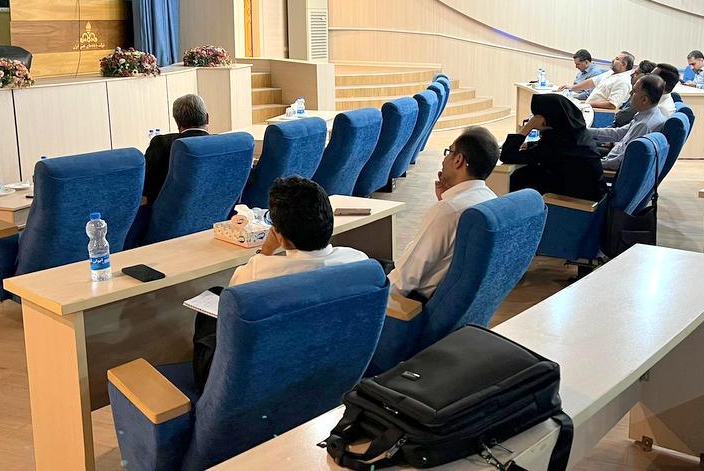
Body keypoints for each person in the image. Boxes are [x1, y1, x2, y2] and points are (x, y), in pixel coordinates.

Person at [192, 176, 369, 390]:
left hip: (262, 378)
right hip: (331, 364)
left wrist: (265, 251)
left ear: (280, 236)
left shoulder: (256, 275)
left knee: (214, 305)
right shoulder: (359, 261)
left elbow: (235, 305)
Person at [388, 127, 500, 300]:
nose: (444, 159)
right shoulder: (492, 200)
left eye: (449, 152)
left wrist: (373, 301)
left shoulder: (449, 211)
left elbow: (405, 279)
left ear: (459, 160)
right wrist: (444, 201)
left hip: (414, 303)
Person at [501, 93, 604, 200]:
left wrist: (528, 127)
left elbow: (507, 155)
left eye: (537, 116)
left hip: (578, 202)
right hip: (590, 192)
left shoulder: (555, 145)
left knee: (518, 178)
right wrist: (531, 145)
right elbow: (551, 150)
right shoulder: (576, 132)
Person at [590, 74, 668, 170]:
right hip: (612, 155)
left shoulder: (644, 125)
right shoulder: (645, 114)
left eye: (634, 91)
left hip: (609, 166)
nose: (630, 93)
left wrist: (593, 164)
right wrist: (585, 131)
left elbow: (620, 161)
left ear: (644, 99)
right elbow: (618, 133)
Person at [143, 94, 211, 202]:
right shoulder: (226, 144)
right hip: (219, 209)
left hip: (169, 210)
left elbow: (145, 185)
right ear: (207, 118)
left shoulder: (161, 144)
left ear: (177, 122)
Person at [560, 51, 634, 107]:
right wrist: (571, 87)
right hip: (589, 106)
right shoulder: (611, 72)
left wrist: (586, 104)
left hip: (598, 112)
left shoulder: (623, 81)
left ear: (623, 64)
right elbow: (592, 82)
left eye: (617, 59)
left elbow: (612, 104)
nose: (613, 60)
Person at [610, 60, 656, 127]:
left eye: (636, 73)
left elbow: (620, 118)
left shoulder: (641, 97)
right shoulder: (636, 92)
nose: (631, 75)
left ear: (645, 77)